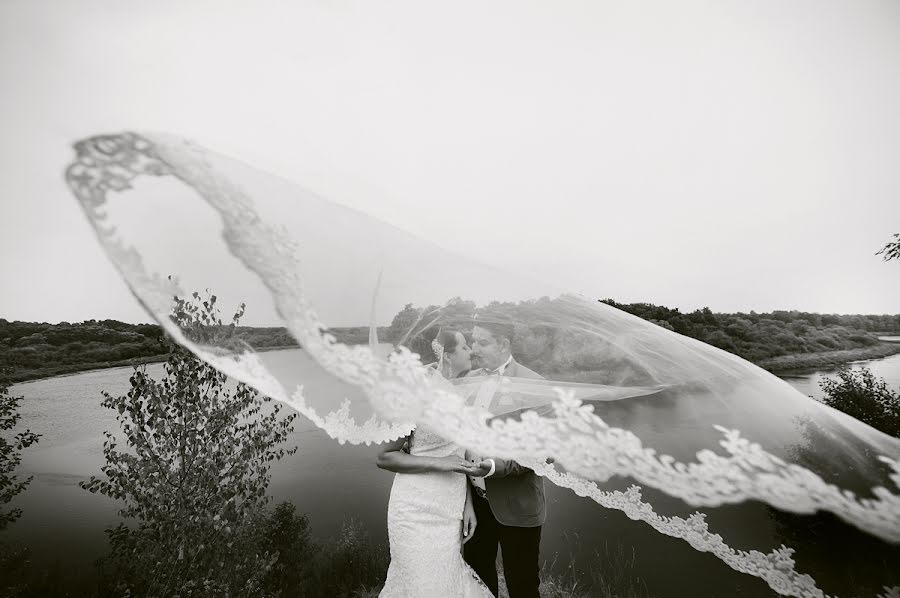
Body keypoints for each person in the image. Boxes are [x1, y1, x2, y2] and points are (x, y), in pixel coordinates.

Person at [376, 330, 494, 597]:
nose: (470, 351)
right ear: (448, 356)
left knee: (445, 580)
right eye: (464, 347)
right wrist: (440, 463)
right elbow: (384, 456)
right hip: (414, 507)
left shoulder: (463, 394)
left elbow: (460, 453)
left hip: (449, 506)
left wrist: (468, 505)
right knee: (421, 584)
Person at [463, 321, 545, 598]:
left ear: (504, 344)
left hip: (517, 505)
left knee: (522, 584)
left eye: (482, 342)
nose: (474, 349)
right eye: (472, 341)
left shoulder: (534, 384)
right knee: (478, 580)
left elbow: (544, 451)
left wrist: (496, 467)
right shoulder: (469, 378)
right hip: (474, 504)